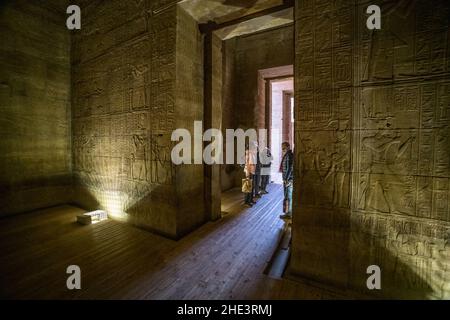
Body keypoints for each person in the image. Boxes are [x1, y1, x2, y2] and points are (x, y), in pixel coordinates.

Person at [279, 142, 293, 220]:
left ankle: (289, 213)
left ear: (287, 147)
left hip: (288, 180)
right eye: (282, 147)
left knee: (288, 196)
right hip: (287, 179)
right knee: (287, 196)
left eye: (283, 147)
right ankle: (288, 213)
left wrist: (286, 179)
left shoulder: (288, 155)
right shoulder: (288, 155)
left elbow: (289, 168)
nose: (282, 149)